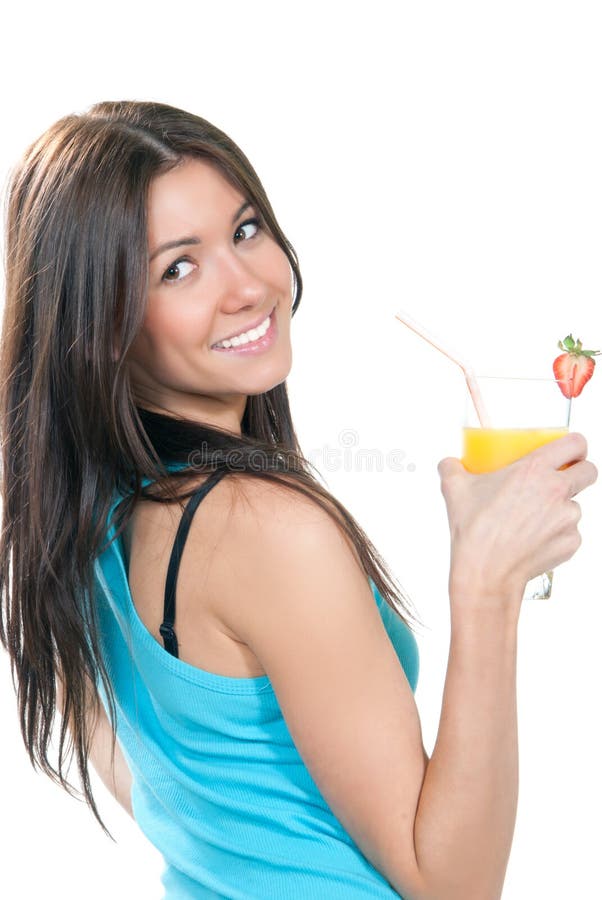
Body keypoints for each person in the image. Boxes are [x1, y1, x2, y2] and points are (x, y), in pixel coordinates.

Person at [0, 100, 596, 900]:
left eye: (245, 230)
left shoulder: (80, 512)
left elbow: (157, 788)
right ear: (103, 325)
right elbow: (454, 886)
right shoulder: (266, 530)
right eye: (178, 267)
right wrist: (489, 586)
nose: (248, 286)